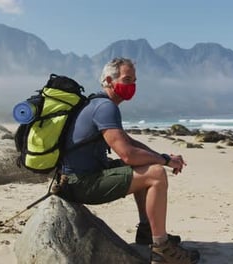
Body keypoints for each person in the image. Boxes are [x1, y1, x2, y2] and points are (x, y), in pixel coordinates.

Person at [61, 57, 200, 264]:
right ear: (109, 79)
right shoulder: (105, 107)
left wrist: (164, 157)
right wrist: (163, 162)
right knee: (156, 174)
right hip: (81, 183)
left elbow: (129, 142)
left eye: (134, 81)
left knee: (148, 166)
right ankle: (162, 248)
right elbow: (127, 154)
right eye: (127, 80)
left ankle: (147, 231)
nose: (132, 86)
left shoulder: (98, 103)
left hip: (78, 178)